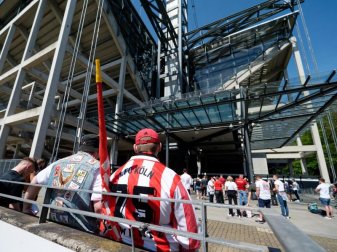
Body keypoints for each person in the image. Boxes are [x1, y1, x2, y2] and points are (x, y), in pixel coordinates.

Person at [104, 128, 200, 251]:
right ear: (159, 147)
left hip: (123, 244)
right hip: (161, 247)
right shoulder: (171, 178)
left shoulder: (115, 175)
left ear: (135, 147)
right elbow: (189, 233)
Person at [23, 134, 103, 233]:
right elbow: (98, 207)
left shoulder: (58, 163)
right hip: (82, 228)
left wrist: (26, 208)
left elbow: (35, 180)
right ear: (99, 150)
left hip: (54, 221)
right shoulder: (97, 167)